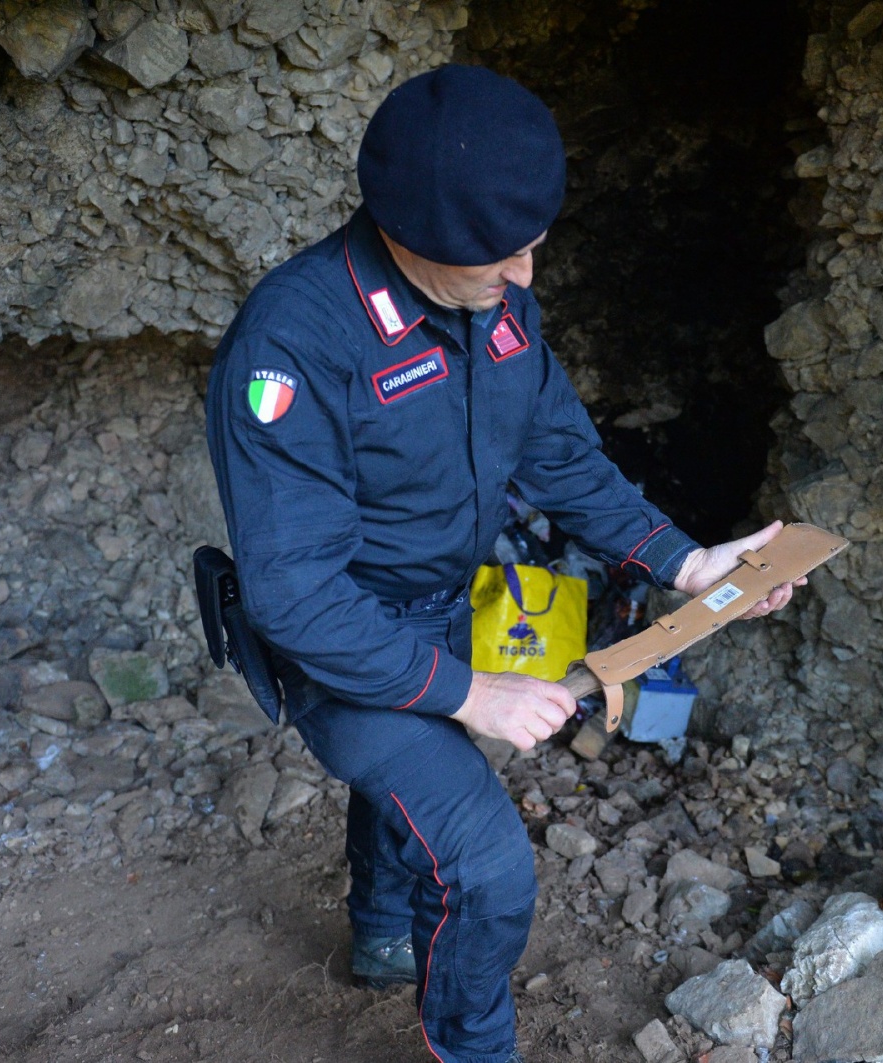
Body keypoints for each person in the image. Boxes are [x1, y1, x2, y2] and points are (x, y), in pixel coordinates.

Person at [205, 63, 806, 1063]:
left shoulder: (496, 305)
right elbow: (295, 593)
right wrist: (469, 690)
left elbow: (558, 454)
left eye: (529, 249)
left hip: (439, 608)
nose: (522, 279)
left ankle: (385, 935)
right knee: (486, 866)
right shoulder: (294, 345)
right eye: (495, 260)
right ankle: (473, 1051)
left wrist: (688, 562)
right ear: (402, 236)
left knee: (412, 798)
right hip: (336, 642)